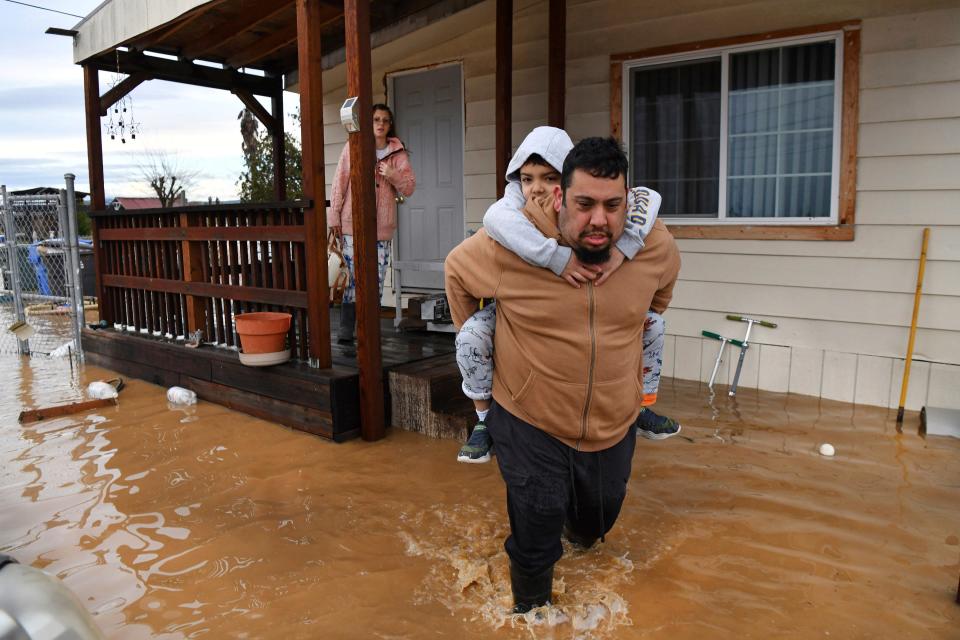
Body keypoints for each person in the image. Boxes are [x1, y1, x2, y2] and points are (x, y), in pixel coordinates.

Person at [445, 137, 681, 613]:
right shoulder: (511, 244)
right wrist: (485, 340)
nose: (599, 219)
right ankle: (529, 616)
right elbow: (455, 273)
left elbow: (659, 297)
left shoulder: (653, 245)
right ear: (559, 198)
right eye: (585, 204)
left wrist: (632, 371)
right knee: (537, 533)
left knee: (594, 527)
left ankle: (581, 531)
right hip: (530, 415)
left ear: (627, 201)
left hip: (612, 421)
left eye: (613, 205)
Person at [454, 127, 679, 464]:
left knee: (654, 324)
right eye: (527, 179)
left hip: (608, 414)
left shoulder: (625, 225)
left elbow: (647, 199)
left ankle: (643, 405)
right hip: (526, 386)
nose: (536, 189)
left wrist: (627, 248)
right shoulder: (511, 213)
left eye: (548, 177)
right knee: (471, 335)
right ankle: (484, 419)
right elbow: (477, 241)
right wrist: (556, 259)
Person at [329, 103, 416, 343]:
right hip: (351, 224)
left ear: (390, 125)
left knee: (375, 280)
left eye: (385, 120)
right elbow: (339, 182)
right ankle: (347, 329)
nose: (380, 124)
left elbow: (408, 187)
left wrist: (392, 174)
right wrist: (334, 216)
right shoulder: (353, 147)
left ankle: (368, 332)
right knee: (355, 278)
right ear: (369, 123)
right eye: (376, 119)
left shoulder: (397, 153)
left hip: (381, 228)